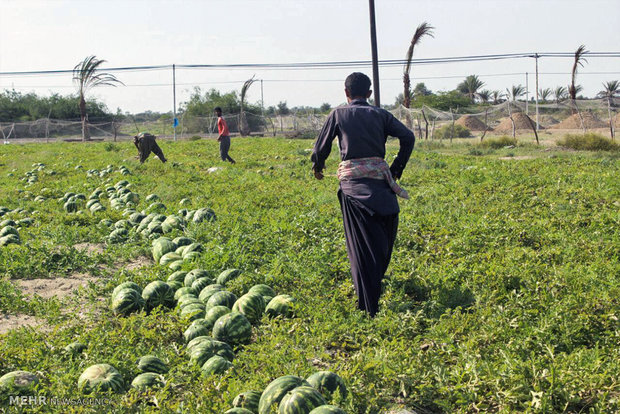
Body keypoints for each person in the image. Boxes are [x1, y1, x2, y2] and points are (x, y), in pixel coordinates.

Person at [311, 72, 415, 317]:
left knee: (359, 249)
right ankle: (372, 291)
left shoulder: (338, 114)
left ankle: (367, 308)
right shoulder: (380, 114)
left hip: (354, 190)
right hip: (382, 189)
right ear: (369, 94)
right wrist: (395, 169)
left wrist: (318, 165)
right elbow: (408, 137)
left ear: (346, 93)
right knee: (379, 245)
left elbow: (320, 147)